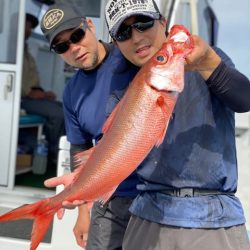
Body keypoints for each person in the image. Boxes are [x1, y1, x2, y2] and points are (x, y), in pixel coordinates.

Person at [50, 0, 250, 249]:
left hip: (211, 217)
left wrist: (209, 62)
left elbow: (245, 100)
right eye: (124, 33)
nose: (136, 37)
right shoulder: (116, 90)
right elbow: (113, 148)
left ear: (163, 23)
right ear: (116, 42)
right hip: (146, 215)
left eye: (144, 23)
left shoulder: (208, 61)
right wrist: (83, 191)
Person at [40, 3, 140, 249]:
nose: (74, 48)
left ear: (91, 26)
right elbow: (80, 148)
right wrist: (83, 211)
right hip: (109, 200)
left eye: (77, 35)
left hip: (154, 194)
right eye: (63, 46)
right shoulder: (72, 93)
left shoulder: (131, 55)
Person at [21, 13, 65, 164]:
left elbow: (31, 82)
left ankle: (61, 149)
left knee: (65, 108)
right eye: (27, 26)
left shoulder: (26, 51)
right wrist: (30, 93)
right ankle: (53, 154)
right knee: (58, 114)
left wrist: (44, 93)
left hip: (32, 95)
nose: (29, 30)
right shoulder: (11, 49)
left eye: (30, 27)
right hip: (21, 99)